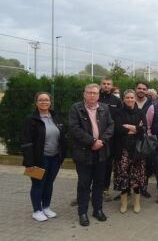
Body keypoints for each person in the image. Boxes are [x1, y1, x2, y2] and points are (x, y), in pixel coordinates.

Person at [69, 83, 114, 227]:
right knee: (84, 184)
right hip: (83, 153)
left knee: (99, 183)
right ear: (84, 94)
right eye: (89, 92)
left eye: (95, 93)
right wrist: (92, 141)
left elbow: (110, 126)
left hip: (101, 152)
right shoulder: (76, 108)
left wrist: (102, 141)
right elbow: (74, 129)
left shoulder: (104, 108)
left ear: (99, 95)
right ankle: (82, 212)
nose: (92, 95)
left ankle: (98, 210)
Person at [22, 92, 67, 222]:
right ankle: (37, 210)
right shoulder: (30, 119)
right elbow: (26, 142)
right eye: (41, 100)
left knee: (49, 184)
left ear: (50, 102)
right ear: (36, 102)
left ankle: (46, 207)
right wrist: (29, 162)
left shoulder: (56, 116)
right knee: (37, 184)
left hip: (55, 158)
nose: (44, 102)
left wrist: (62, 155)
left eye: (46, 100)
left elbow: (63, 137)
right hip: (38, 159)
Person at [113, 90, 146, 214]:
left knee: (136, 175)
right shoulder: (118, 113)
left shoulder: (140, 112)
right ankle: (124, 202)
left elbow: (144, 129)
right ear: (123, 99)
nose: (130, 100)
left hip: (137, 150)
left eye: (132, 97)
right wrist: (134, 129)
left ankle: (137, 202)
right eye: (127, 97)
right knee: (123, 175)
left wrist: (130, 127)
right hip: (122, 150)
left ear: (135, 99)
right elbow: (116, 129)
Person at [99, 77, 122, 201]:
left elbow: (119, 118)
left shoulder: (116, 100)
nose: (106, 86)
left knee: (108, 165)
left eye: (108, 84)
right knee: (95, 164)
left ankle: (105, 189)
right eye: (104, 84)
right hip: (96, 138)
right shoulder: (95, 97)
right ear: (100, 85)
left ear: (111, 86)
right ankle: (92, 189)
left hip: (111, 139)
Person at [135, 82, 154, 198]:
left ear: (147, 91)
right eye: (139, 88)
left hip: (146, 138)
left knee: (147, 164)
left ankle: (143, 187)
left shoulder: (152, 103)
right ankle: (126, 190)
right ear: (135, 89)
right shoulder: (129, 101)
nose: (141, 90)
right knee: (130, 164)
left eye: (144, 89)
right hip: (130, 138)